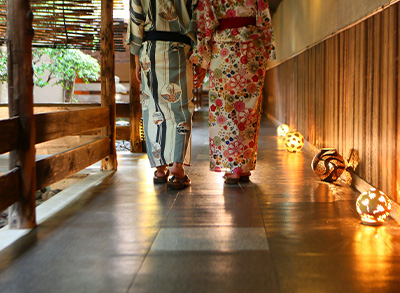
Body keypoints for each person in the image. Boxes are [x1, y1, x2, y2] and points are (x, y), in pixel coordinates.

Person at [190, 0, 276, 184]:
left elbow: (205, 21)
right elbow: (264, 15)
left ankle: (233, 168)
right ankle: (243, 167)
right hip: (253, 47)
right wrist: (267, 49)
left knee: (226, 108)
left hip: (224, 48)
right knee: (249, 109)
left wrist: (202, 60)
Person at [129, 0, 203, 189]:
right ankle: (177, 167)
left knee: (152, 107)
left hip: (150, 50)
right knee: (181, 109)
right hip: (180, 50)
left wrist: (137, 60)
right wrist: (200, 57)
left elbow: (136, 19)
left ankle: (160, 169)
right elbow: (198, 15)